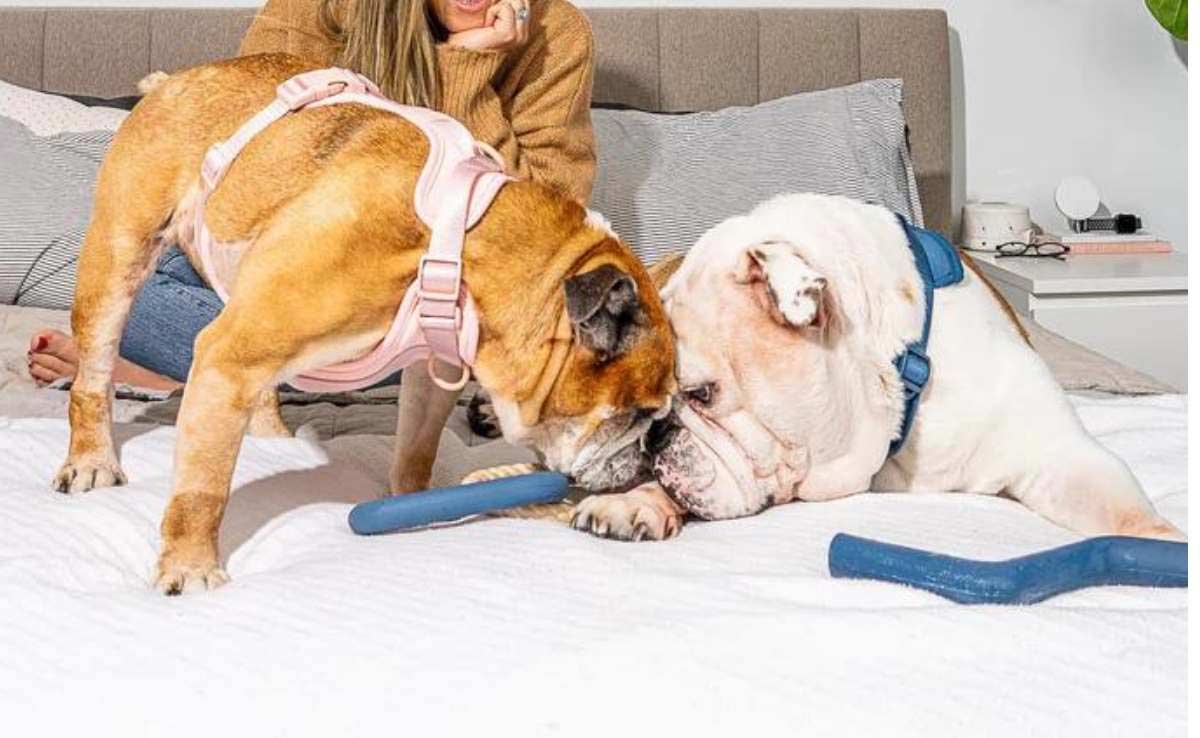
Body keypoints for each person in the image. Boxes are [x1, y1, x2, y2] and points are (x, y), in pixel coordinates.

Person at [28, 0, 595, 390]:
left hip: (417, 290)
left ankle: (201, 372)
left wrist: (468, 66)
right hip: (282, 248)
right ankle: (239, 371)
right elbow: (248, 133)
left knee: (454, 344)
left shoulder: (557, 35)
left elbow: (542, 227)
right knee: (134, 290)